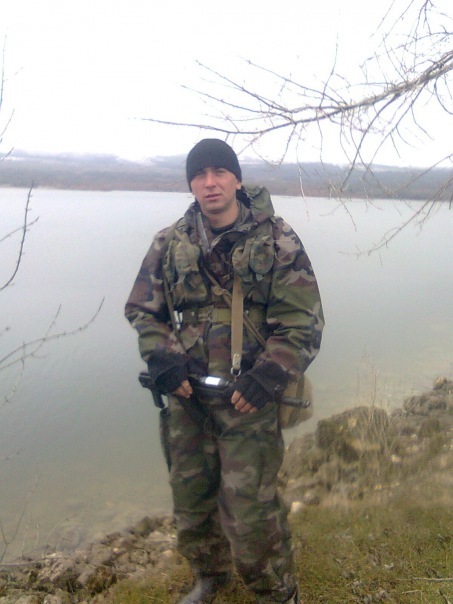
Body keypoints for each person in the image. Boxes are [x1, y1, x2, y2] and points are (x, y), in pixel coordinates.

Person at [125, 138, 324, 603]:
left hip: (246, 400)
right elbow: (144, 311)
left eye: (219, 172)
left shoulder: (278, 240)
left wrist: (268, 376)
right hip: (188, 399)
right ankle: (210, 577)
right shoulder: (169, 242)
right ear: (191, 184)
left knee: (251, 511)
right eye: (199, 175)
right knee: (191, 502)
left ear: (236, 179)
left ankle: (277, 592)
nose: (209, 183)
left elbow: (302, 321)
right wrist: (162, 358)